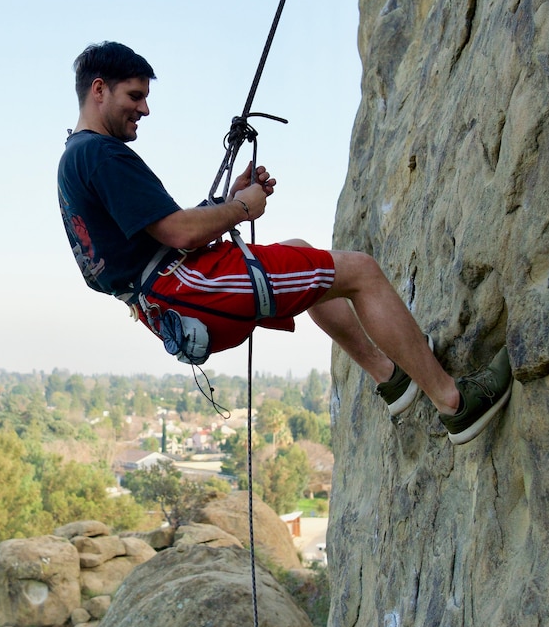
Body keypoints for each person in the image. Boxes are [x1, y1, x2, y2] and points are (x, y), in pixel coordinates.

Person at [57, 41, 512, 444]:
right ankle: (455, 403)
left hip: (169, 299)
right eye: (135, 96)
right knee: (361, 272)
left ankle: (391, 377)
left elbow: (157, 233)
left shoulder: (74, 157)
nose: (144, 109)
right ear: (99, 90)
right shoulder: (101, 154)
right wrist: (242, 208)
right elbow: (179, 232)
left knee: (301, 251)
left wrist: (226, 201)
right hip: (190, 290)